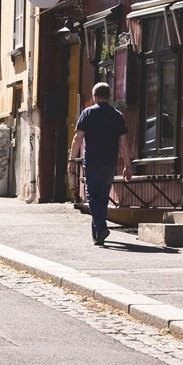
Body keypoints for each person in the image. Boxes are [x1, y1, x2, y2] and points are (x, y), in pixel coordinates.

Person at [72, 82, 130, 245]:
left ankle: (102, 228)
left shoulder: (87, 113)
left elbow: (77, 139)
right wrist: (128, 165)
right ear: (109, 97)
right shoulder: (117, 115)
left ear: (94, 96)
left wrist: (71, 160)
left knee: (92, 197)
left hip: (91, 162)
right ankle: (97, 235)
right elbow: (124, 142)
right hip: (110, 162)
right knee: (102, 198)